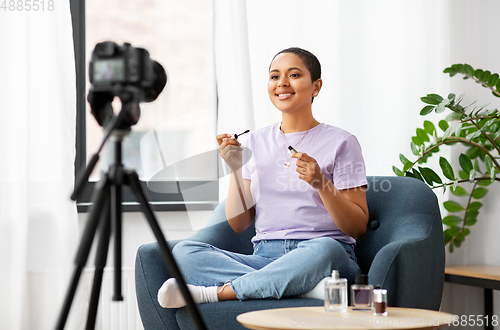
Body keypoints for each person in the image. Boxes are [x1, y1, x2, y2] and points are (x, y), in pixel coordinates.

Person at [157, 47, 369, 308]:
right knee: (184, 253)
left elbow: (357, 226)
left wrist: (321, 184)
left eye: (293, 75)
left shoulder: (342, 142)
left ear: (316, 87)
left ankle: (217, 293)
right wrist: (235, 168)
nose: (282, 83)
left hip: (321, 254)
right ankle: (300, 288)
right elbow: (239, 224)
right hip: (265, 256)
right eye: (274, 76)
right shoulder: (253, 142)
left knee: (327, 250)